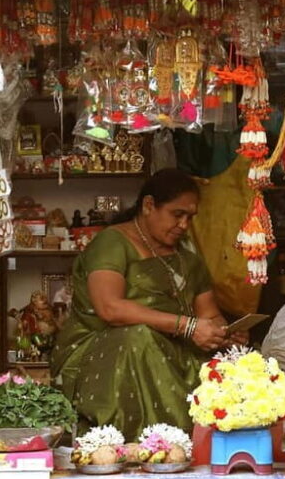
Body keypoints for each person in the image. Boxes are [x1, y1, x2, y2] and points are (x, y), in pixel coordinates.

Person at [51, 168, 247, 439]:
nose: (184, 225)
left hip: (173, 344)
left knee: (243, 361)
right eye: (177, 215)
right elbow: (110, 308)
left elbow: (209, 313)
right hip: (105, 347)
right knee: (139, 338)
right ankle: (154, 445)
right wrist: (187, 326)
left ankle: (209, 450)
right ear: (148, 205)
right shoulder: (113, 242)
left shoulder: (186, 251)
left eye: (190, 217)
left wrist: (223, 333)